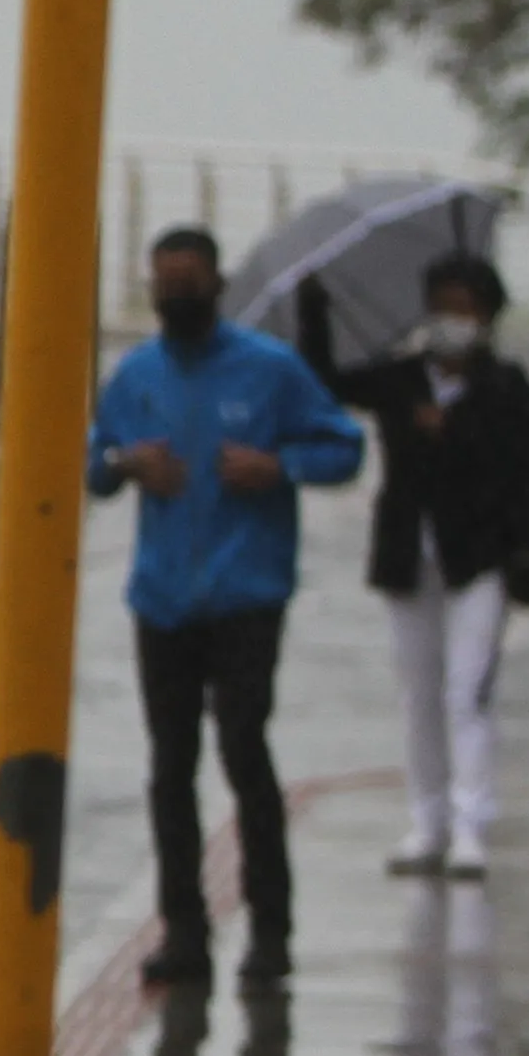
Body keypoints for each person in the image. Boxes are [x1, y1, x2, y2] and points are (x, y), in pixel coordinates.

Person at [91, 227, 362, 989]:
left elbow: (344, 448)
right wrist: (124, 463)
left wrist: (278, 467)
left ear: (217, 284)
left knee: (245, 749)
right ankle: (184, 932)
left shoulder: (271, 371)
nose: (176, 293)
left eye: (190, 279)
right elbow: (90, 461)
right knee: (169, 768)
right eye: (163, 280)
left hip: (247, 593)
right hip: (162, 598)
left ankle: (270, 934)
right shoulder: (136, 374)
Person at [321, 248, 529, 879]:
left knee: (466, 692)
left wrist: (456, 432)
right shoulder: (398, 381)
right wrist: (320, 303)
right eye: (442, 307)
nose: (452, 320)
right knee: (418, 694)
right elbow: (328, 380)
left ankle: (471, 823)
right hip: (408, 557)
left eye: (466, 309)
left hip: (479, 559)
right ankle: (427, 821)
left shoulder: (504, 388)